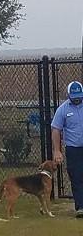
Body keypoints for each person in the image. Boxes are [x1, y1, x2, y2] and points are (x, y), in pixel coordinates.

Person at [51, 81, 83, 217]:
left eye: (79, 96)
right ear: (69, 95)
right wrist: (57, 151)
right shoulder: (63, 109)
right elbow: (56, 129)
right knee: (76, 177)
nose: (77, 98)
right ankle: (80, 206)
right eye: (74, 96)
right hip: (73, 149)